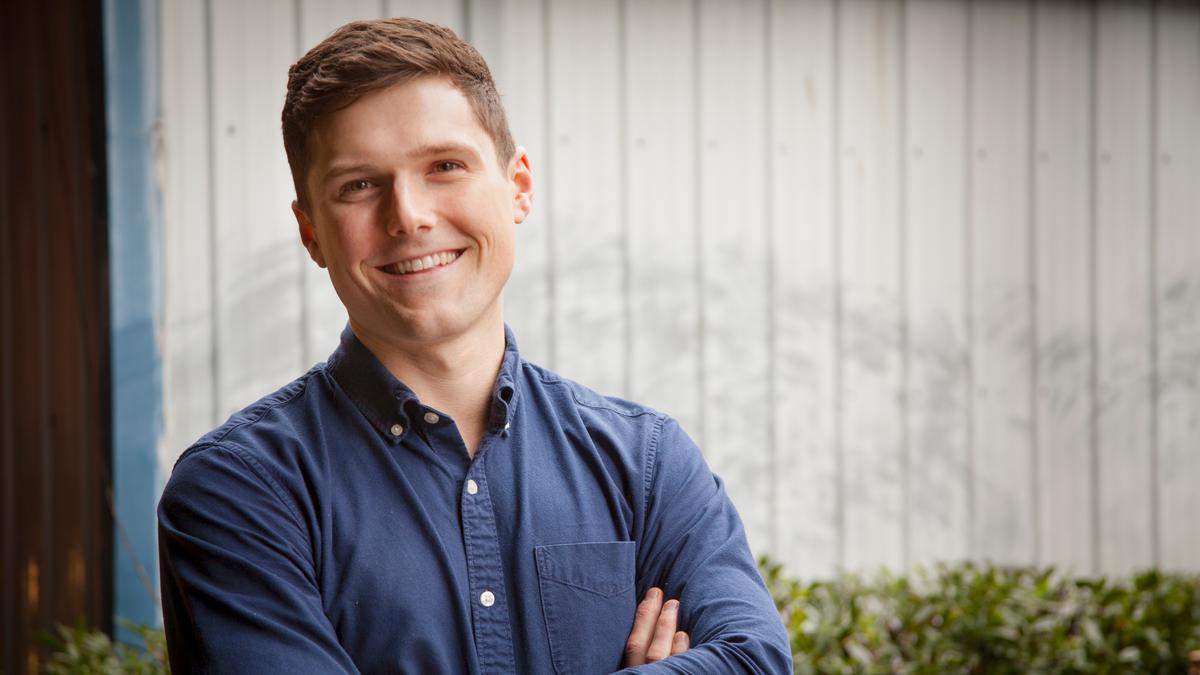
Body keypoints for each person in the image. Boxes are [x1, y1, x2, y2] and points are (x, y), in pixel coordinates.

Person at [157, 17, 790, 674]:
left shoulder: (646, 463)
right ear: (311, 231)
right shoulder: (239, 492)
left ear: (518, 187)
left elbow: (754, 661)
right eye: (359, 185)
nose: (409, 216)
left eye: (444, 166)